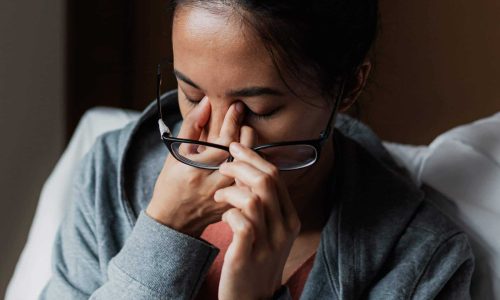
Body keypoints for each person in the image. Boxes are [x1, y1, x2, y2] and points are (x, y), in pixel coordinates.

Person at [40, 0, 474, 299]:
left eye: (259, 108)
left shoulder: (422, 259)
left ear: (348, 86)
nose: (223, 138)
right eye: (192, 93)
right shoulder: (109, 170)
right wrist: (163, 234)